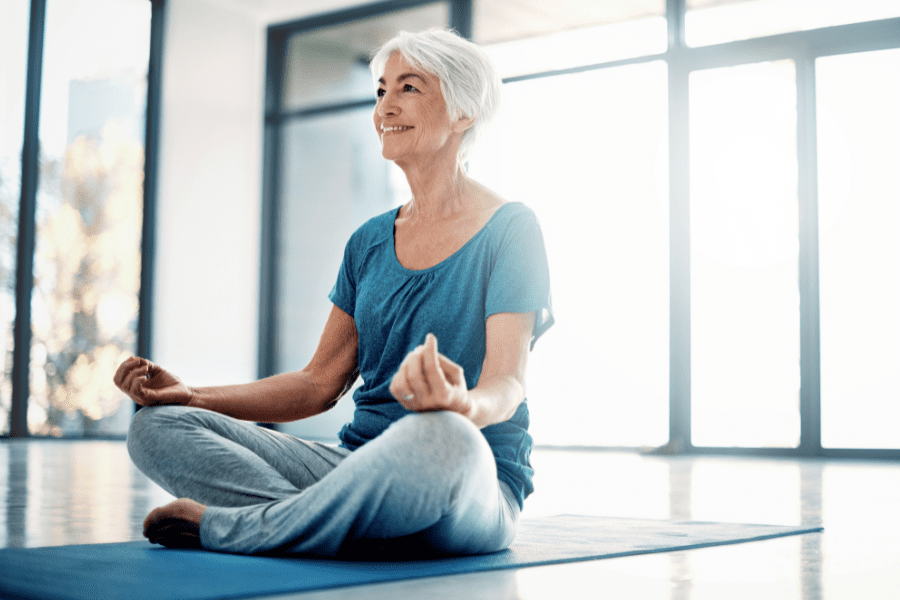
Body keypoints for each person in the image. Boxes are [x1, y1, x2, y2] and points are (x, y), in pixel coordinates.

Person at [115, 28, 553, 557]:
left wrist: (461, 405)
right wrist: (191, 396)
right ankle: (337, 528)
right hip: (353, 468)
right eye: (381, 90)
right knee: (154, 427)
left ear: (464, 112)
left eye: (408, 88)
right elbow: (316, 383)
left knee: (442, 436)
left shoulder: (511, 229)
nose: (385, 107)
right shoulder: (368, 241)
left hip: (465, 478)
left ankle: (245, 529)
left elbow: (507, 383)